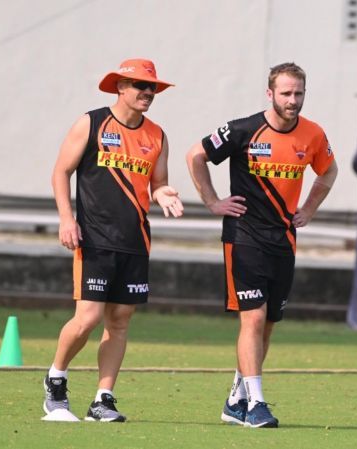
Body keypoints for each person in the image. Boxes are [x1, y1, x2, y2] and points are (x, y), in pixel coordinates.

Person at [185, 62, 337, 428]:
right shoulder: (243, 130)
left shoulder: (313, 135)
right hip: (244, 237)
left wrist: (310, 209)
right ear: (270, 93)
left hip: (284, 240)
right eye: (286, 93)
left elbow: (329, 170)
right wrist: (212, 201)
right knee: (252, 318)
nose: (293, 100)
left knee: (267, 324)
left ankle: (236, 397)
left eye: (298, 93)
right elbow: (196, 155)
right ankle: (256, 404)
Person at [43, 58, 183, 423]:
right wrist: (66, 219)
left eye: (152, 87)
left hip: (135, 241)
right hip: (94, 239)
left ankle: (102, 399)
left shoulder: (157, 135)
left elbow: (158, 182)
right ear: (120, 87)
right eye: (140, 86)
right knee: (87, 318)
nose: (147, 93)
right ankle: (56, 379)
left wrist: (165, 192)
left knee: (119, 321)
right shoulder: (91, 123)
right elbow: (61, 171)